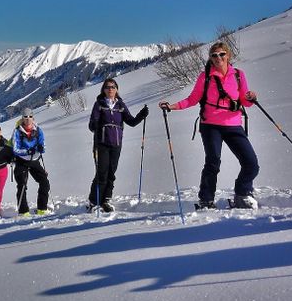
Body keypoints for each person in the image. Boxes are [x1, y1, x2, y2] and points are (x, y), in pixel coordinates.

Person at [159, 41, 260, 209]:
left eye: (221, 54)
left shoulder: (238, 75)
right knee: (213, 162)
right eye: (214, 55)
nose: (218, 57)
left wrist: (250, 98)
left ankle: (242, 193)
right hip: (211, 125)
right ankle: (206, 200)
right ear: (211, 58)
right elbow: (193, 99)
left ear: (228, 55)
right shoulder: (205, 76)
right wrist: (172, 106)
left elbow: (244, 101)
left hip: (234, 124)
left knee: (251, 163)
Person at [87, 78, 149, 212]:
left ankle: (106, 200)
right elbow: (92, 124)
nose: (110, 89)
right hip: (101, 143)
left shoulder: (120, 105)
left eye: (113, 87)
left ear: (117, 89)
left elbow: (131, 122)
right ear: (103, 90)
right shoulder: (99, 104)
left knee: (111, 173)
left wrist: (141, 115)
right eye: (108, 87)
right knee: (101, 172)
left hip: (116, 144)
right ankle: (94, 201)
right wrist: (94, 124)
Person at [11, 108, 50, 215]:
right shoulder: (17, 131)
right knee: (22, 185)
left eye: (30, 117)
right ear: (22, 118)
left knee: (44, 182)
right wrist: (28, 151)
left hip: (34, 160)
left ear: (33, 118)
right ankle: (23, 211)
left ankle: (42, 209)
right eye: (25, 117)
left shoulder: (38, 130)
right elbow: (15, 149)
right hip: (21, 161)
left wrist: (42, 148)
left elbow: (43, 144)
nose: (28, 119)